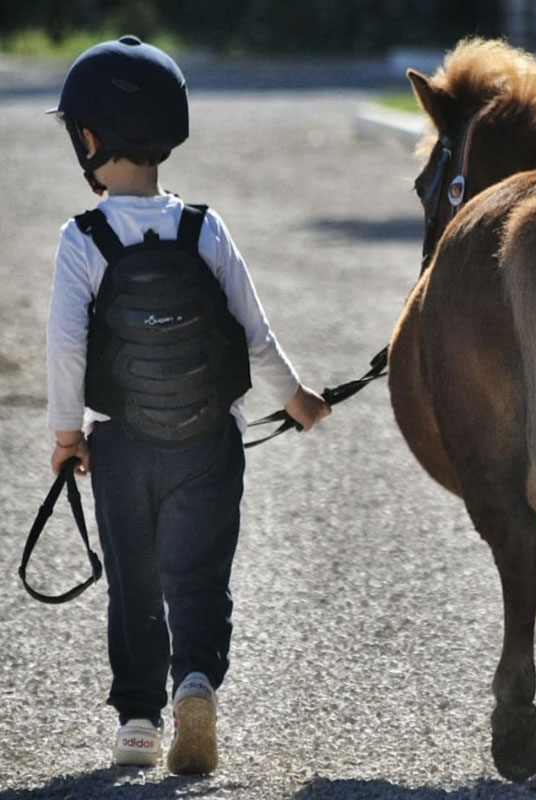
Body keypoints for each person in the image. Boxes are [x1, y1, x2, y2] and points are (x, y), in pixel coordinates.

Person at [46, 35, 330, 774]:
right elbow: (254, 333)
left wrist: (67, 434)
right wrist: (296, 400)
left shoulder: (83, 240)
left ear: (88, 137)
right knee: (199, 575)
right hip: (209, 440)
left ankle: (138, 722)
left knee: (133, 580)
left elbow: (66, 350)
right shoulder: (204, 228)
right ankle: (196, 683)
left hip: (122, 445)